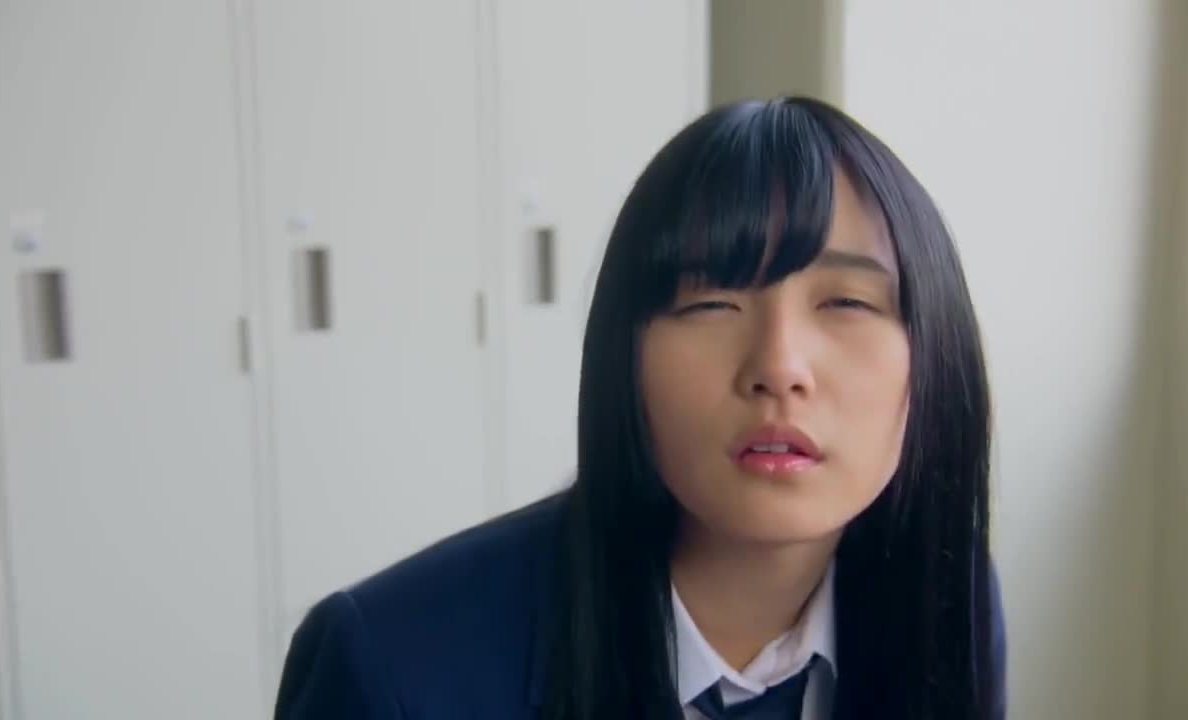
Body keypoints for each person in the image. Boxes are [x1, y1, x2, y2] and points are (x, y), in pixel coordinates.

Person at [274, 97, 1007, 720]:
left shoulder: (943, 599)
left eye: (846, 302)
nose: (779, 367)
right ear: (623, 355)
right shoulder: (393, 666)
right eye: (711, 302)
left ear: (935, 352)